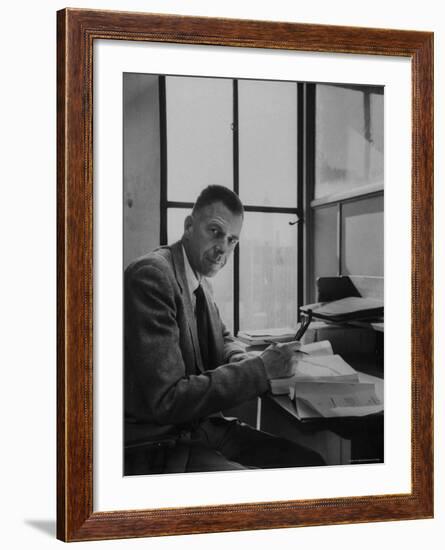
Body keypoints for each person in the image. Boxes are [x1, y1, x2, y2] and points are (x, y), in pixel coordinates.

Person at [124, 185, 324, 474]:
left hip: (199, 428)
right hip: (162, 442)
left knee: (311, 465)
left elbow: (223, 339)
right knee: (272, 489)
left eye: (232, 240)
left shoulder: (199, 278)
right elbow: (168, 400)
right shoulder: (152, 276)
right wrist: (261, 370)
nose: (223, 249)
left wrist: (247, 360)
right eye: (215, 232)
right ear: (189, 226)